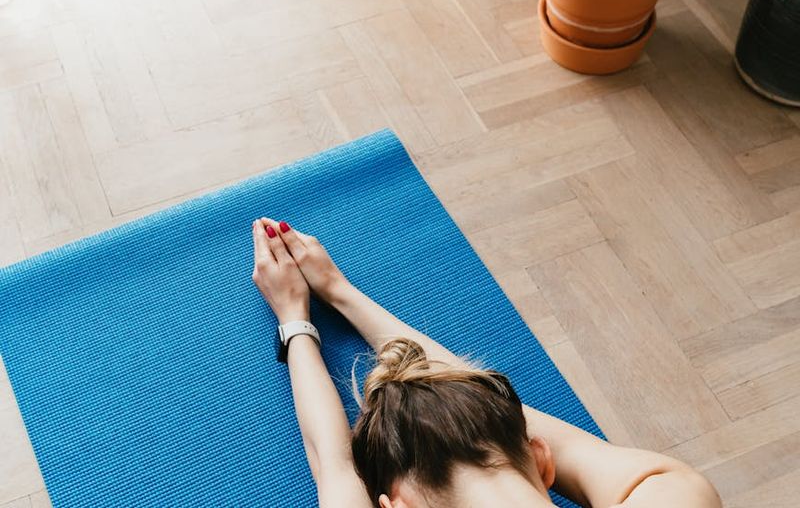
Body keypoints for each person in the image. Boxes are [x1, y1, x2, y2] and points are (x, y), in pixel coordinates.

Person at [251, 218, 722, 508]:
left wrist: (295, 317)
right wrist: (341, 292)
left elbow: (333, 463)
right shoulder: (678, 495)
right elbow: (558, 442)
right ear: (542, 460)